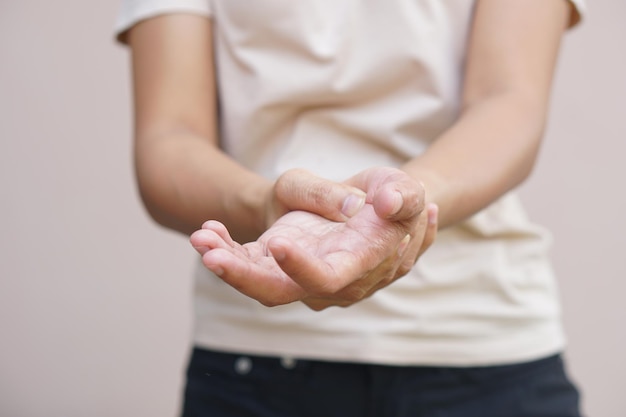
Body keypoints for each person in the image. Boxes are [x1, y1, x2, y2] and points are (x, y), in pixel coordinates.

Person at [115, 0, 586, 415]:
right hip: (254, 359)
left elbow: (509, 101)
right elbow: (169, 137)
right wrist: (266, 205)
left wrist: (404, 201)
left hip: (480, 345)